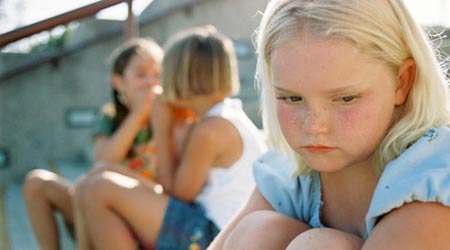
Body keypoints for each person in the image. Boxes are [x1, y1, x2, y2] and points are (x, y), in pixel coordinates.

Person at [208, 0, 450, 249]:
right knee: (257, 232)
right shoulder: (293, 176)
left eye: (346, 98)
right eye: (292, 98)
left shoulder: (434, 180)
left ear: (402, 81)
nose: (314, 126)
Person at [73, 25, 267, 250]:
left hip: (216, 236)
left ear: (181, 78)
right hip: (209, 225)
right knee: (100, 173)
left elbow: (176, 194)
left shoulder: (212, 129)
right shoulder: (221, 116)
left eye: (163, 74)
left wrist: (161, 127)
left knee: (100, 189)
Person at [22, 37, 165, 250]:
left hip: (141, 207)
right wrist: (136, 116)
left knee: (92, 186)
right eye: (141, 74)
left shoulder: (167, 114)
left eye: (157, 75)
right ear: (118, 83)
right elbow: (103, 160)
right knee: (36, 183)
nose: (150, 82)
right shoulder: (110, 116)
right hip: (101, 200)